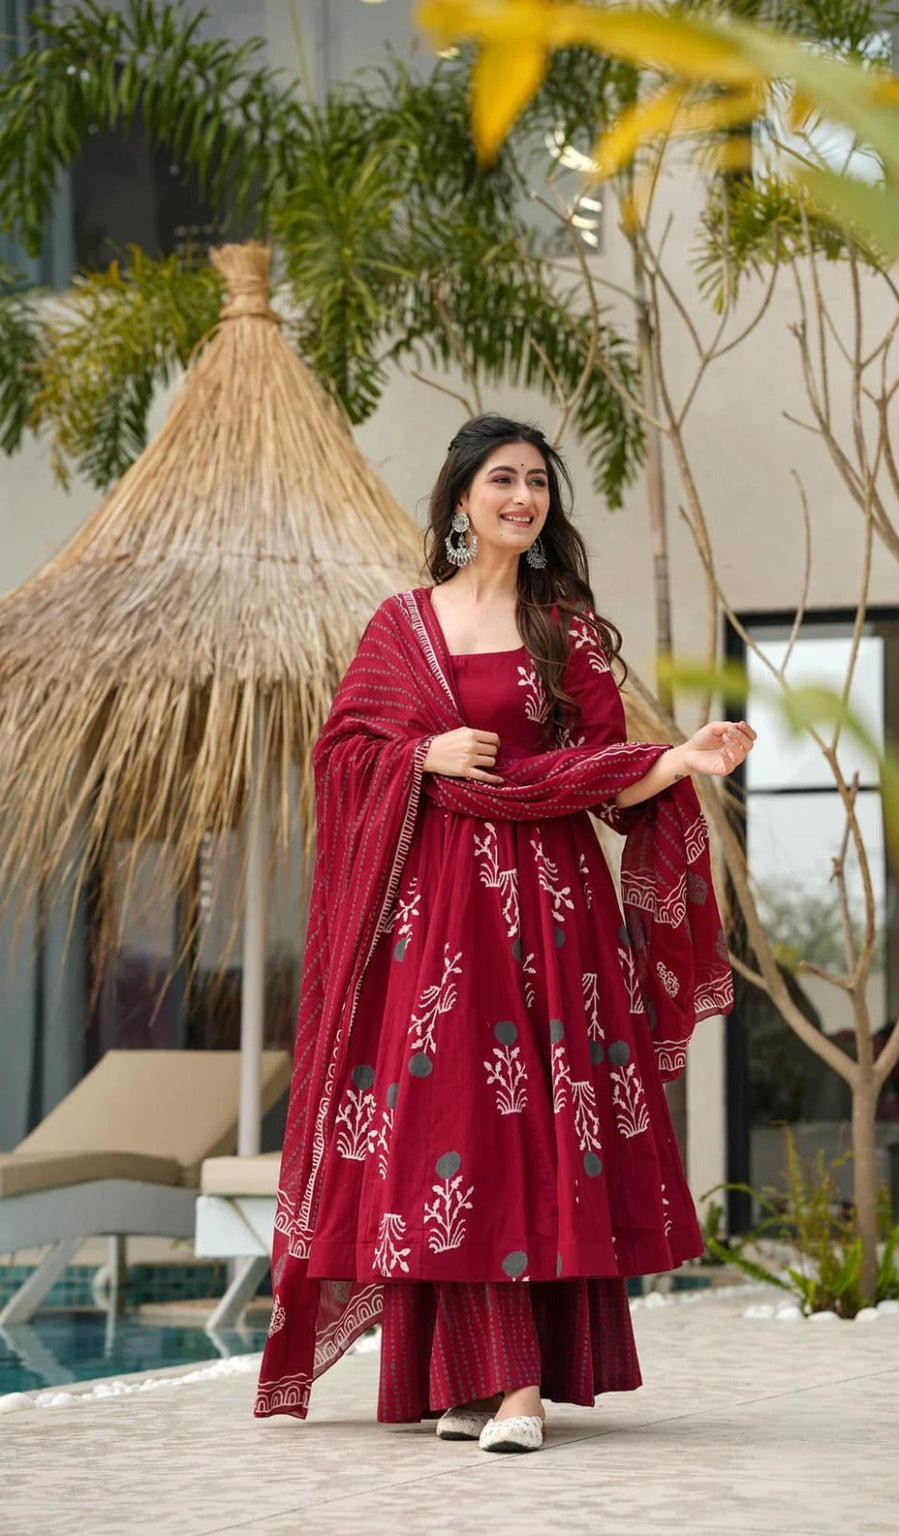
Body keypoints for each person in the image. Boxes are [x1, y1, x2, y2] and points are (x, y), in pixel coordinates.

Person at [255, 414, 756, 1450]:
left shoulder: (562, 627)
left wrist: (683, 760)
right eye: (502, 480)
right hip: (431, 920)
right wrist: (421, 756)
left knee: (530, 1132)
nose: (522, 498)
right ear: (457, 501)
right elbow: (344, 750)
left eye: (537, 483)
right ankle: (474, 1383)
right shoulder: (401, 626)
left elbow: (602, 771)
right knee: (451, 1138)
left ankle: (513, 1390)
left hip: (549, 913)